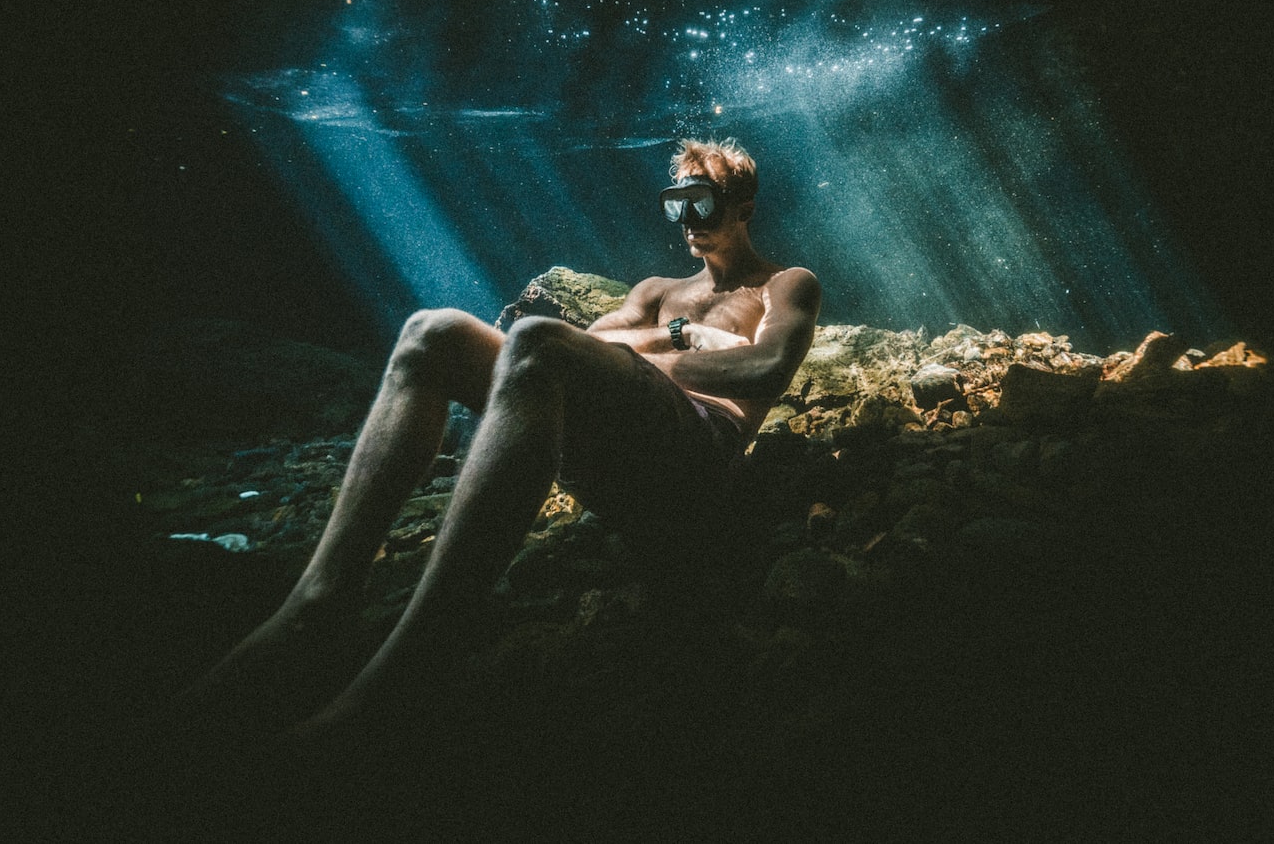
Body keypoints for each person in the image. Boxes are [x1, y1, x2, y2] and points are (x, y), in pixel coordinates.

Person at [188, 137, 820, 737]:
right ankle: (318, 599)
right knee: (429, 331)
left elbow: (764, 369)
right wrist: (678, 338)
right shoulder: (657, 292)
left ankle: (416, 660)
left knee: (538, 340)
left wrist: (635, 358)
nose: (686, 218)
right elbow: (591, 343)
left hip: (694, 452)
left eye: (702, 203)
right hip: (604, 430)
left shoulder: (784, 283)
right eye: (674, 203)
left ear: (744, 208)